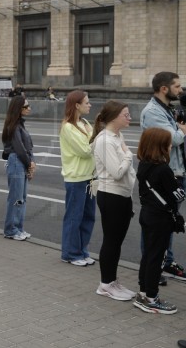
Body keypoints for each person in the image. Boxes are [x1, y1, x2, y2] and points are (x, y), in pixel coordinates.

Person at [140, 71, 186, 281]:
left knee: (169, 222)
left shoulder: (166, 109)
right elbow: (173, 139)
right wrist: (182, 130)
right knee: (156, 226)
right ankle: (153, 268)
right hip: (163, 174)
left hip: (176, 170)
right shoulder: (152, 112)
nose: (181, 90)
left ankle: (166, 262)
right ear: (164, 89)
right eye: (177, 86)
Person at [90, 100, 136, 301]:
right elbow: (117, 172)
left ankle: (112, 280)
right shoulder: (105, 140)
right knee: (111, 240)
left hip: (123, 195)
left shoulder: (117, 135)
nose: (129, 118)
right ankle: (105, 284)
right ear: (114, 116)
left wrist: (126, 156)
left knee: (116, 241)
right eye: (126, 114)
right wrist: (128, 156)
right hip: (111, 195)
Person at [135, 127, 182, 314]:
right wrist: (178, 183)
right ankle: (152, 298)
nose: (171, 146)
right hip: (160, 219)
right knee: (157, 258)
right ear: (160, 146)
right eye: (168, 143)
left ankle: (143, 293)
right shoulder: (163, 170)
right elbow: (178, 195)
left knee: (148, 255)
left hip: (147, 214)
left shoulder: (144, 165)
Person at [59, 90, 96, 266]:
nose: (90, 105)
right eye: (87, 102)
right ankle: (71, 253)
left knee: (88, 216)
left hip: (91, 176)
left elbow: (92, 144)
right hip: (76, 178)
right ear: (77, 105)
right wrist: (97, 141)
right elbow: (86, 150)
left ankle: (82, 250)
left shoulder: (86, 122)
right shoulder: (68, 127)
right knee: (75, 217)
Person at [1, 96, 35, 241]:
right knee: (16, 198)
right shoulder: (14, 126)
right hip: (16, 161)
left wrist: (31, 163)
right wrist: (29, 164)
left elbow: (27, 147)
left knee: (22, 198)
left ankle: (18, 228)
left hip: (21, 161)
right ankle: (10, 230)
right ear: (19, 109)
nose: (29, 109)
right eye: (26, 107)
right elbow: (20, 149)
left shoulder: (19, 125)